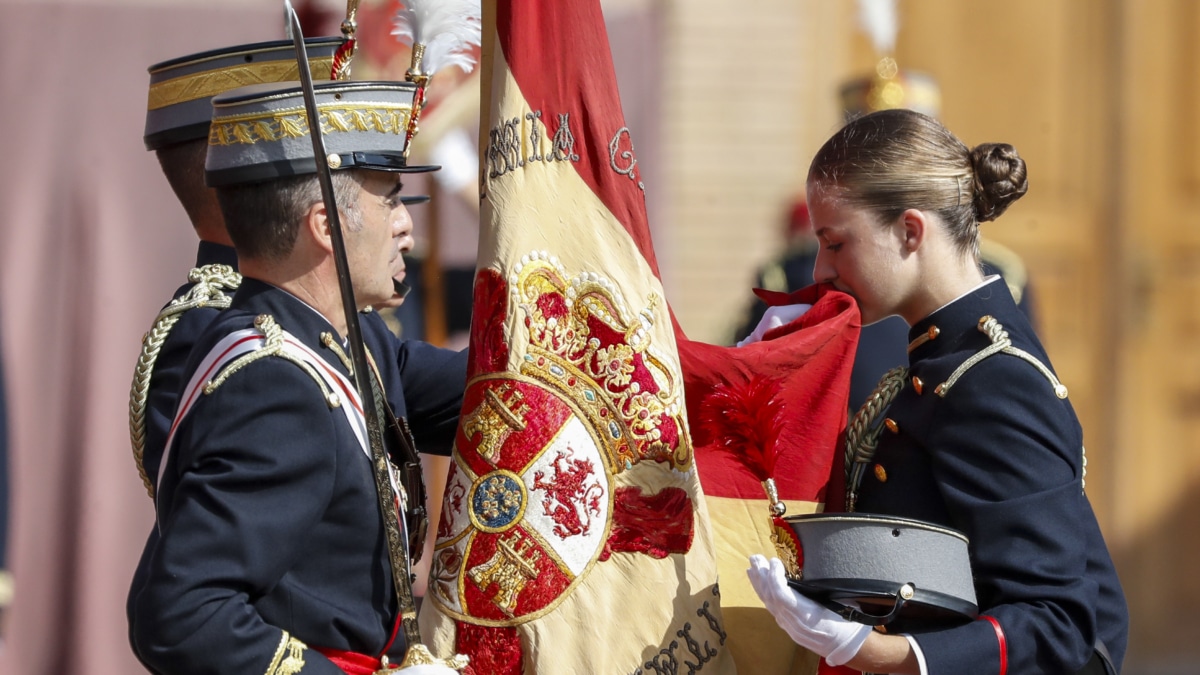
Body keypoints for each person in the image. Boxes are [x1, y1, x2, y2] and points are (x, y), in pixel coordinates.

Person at [745, 108, 1128, 675]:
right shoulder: (943, 356)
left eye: (836, 243)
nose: (821, 269)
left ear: (909, 231)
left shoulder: (996, 380)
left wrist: (878, 653)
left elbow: (1058, 623)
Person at [130, 80, 467, 674]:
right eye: (389, 201)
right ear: (325, 226)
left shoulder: (349, 339)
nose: (406, 229)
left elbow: (480, 391)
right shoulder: (277, 384)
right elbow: (182, 613)